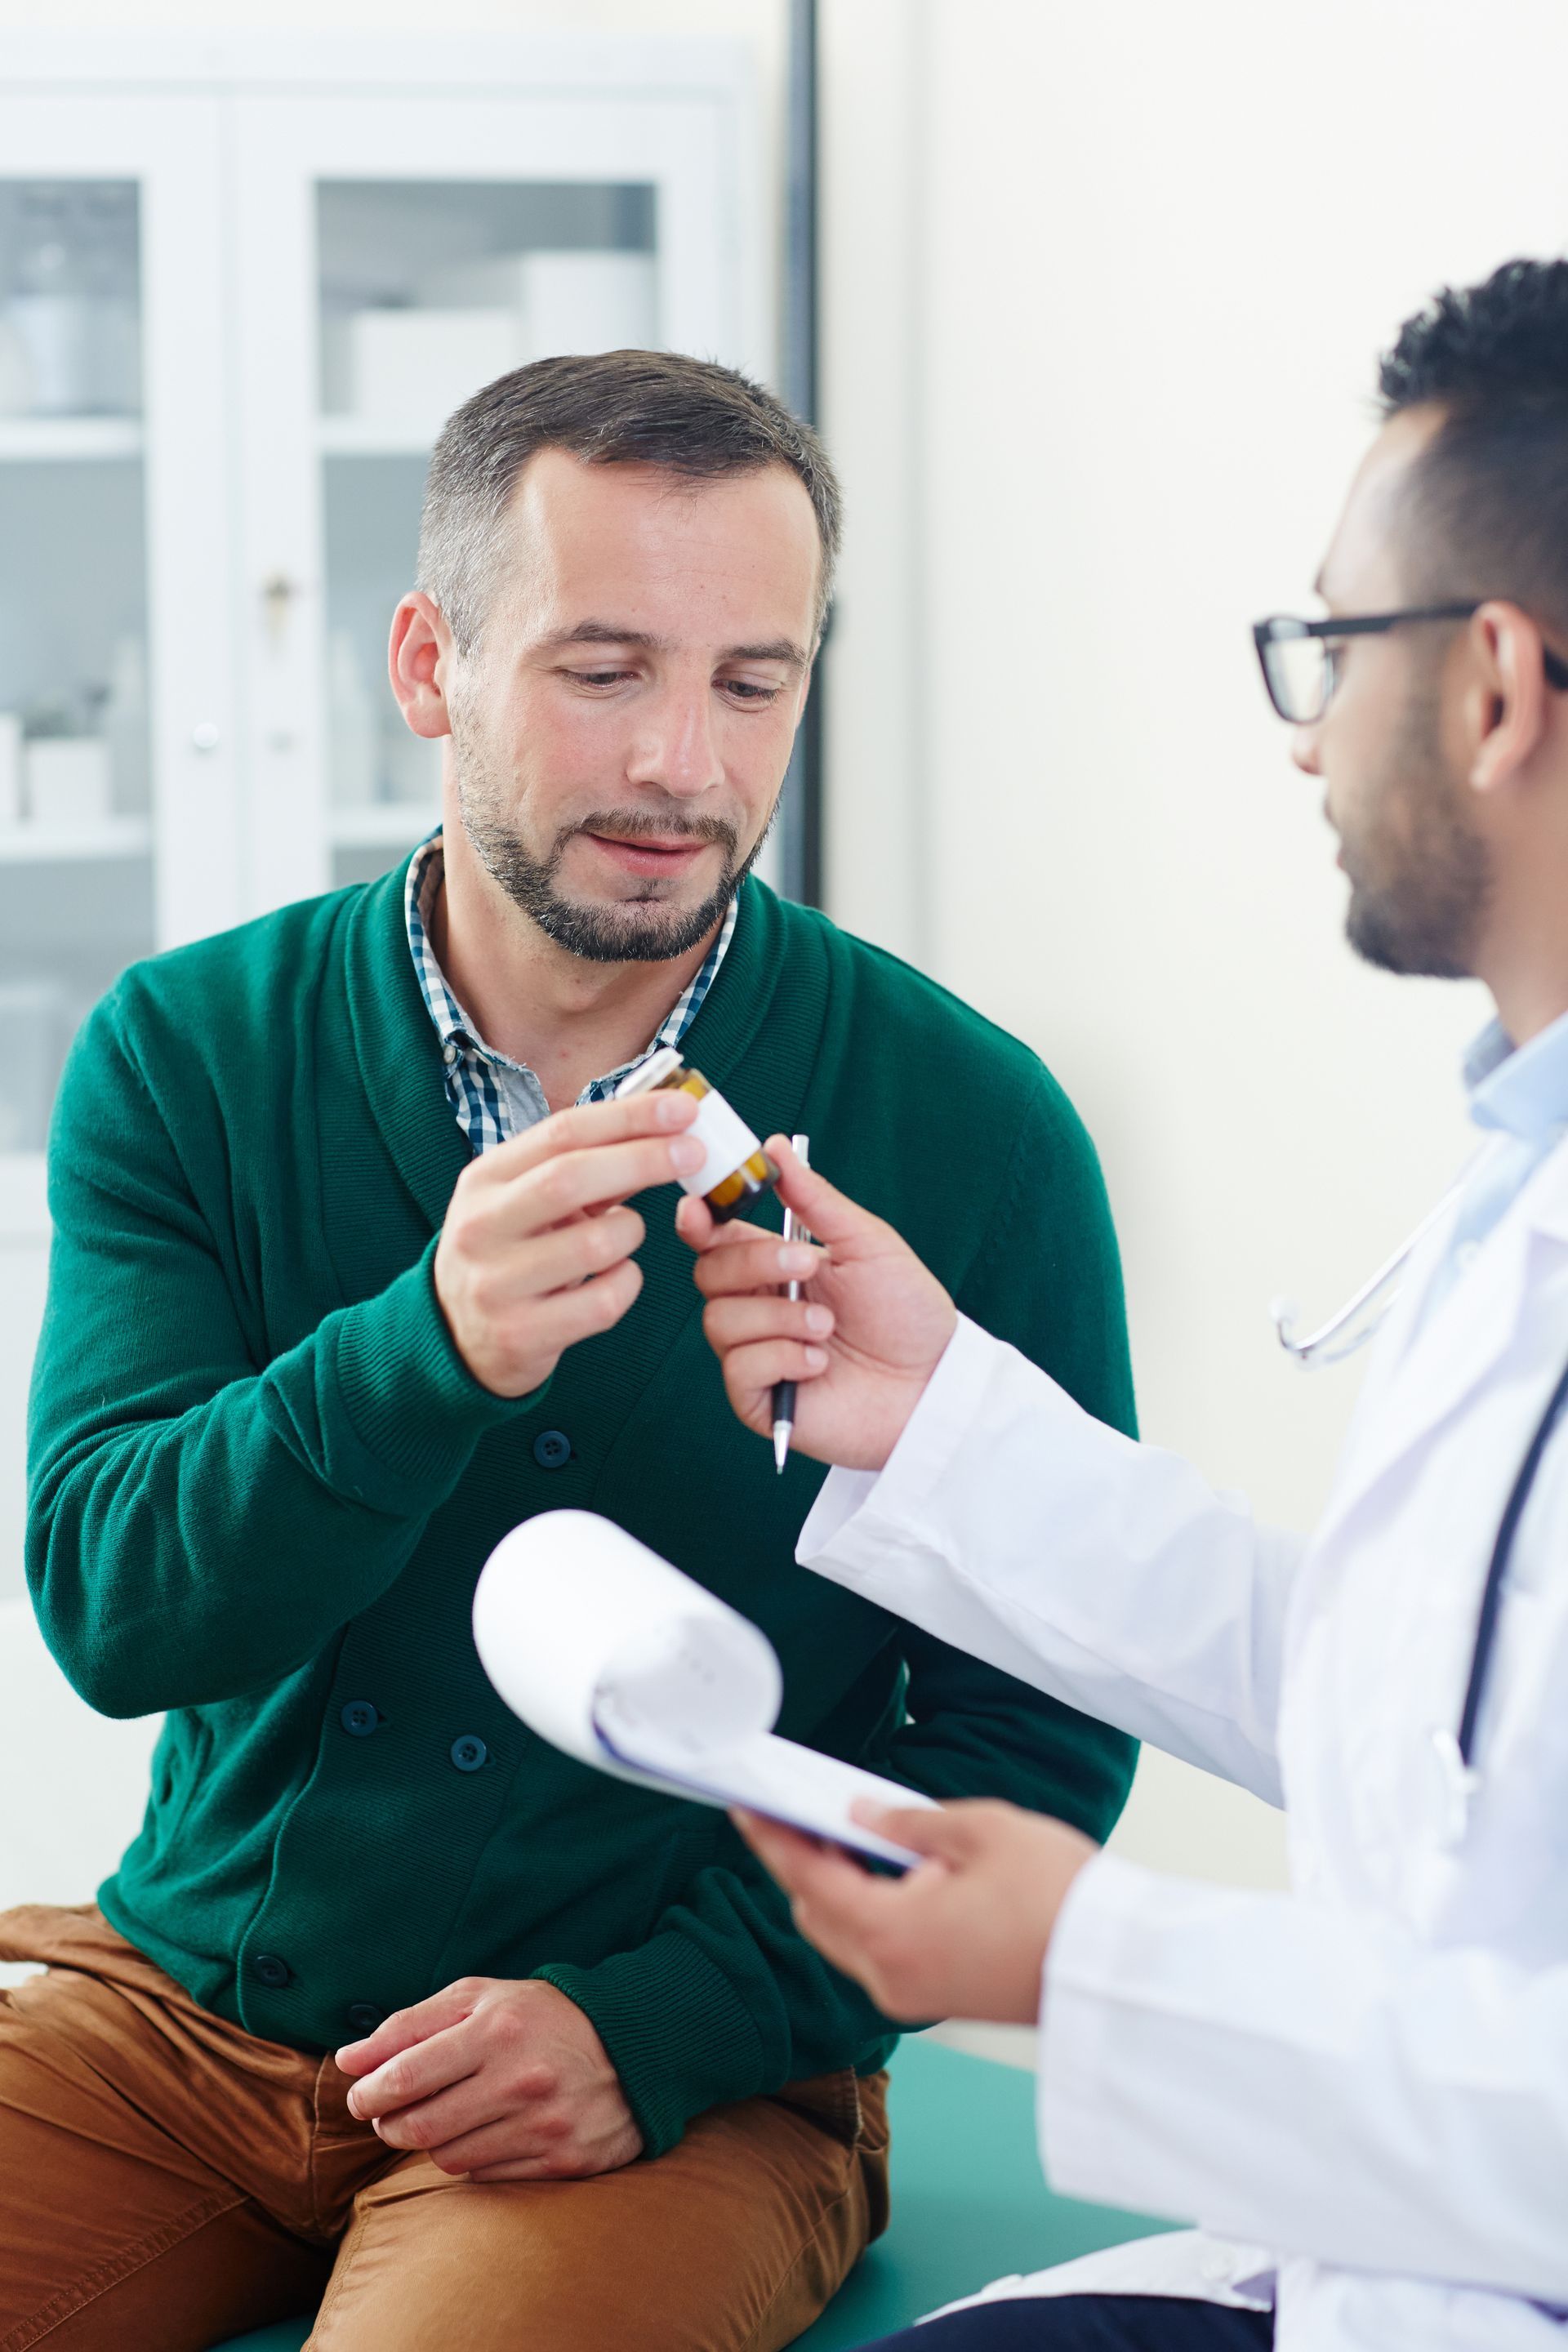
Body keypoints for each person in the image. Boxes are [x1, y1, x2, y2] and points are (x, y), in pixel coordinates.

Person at [1, 351, 1139, 2352]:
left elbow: (1038, 1734)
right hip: (192, 2018)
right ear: (429, 662)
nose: (687, 767)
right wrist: (421, 1352)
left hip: (669, 2068)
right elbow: (112, 1607)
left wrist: (667, 2024)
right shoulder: (189, 1056)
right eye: (603, 670)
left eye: (752, 682)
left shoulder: (971, 1125)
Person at [684, 258, 1568, 2352]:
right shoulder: (1514, 1184)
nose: (1303, 740)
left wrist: (1100, 1965)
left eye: (1324, 650)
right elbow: (1410, 1718)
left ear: (1499, 689)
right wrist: (946, 1428)